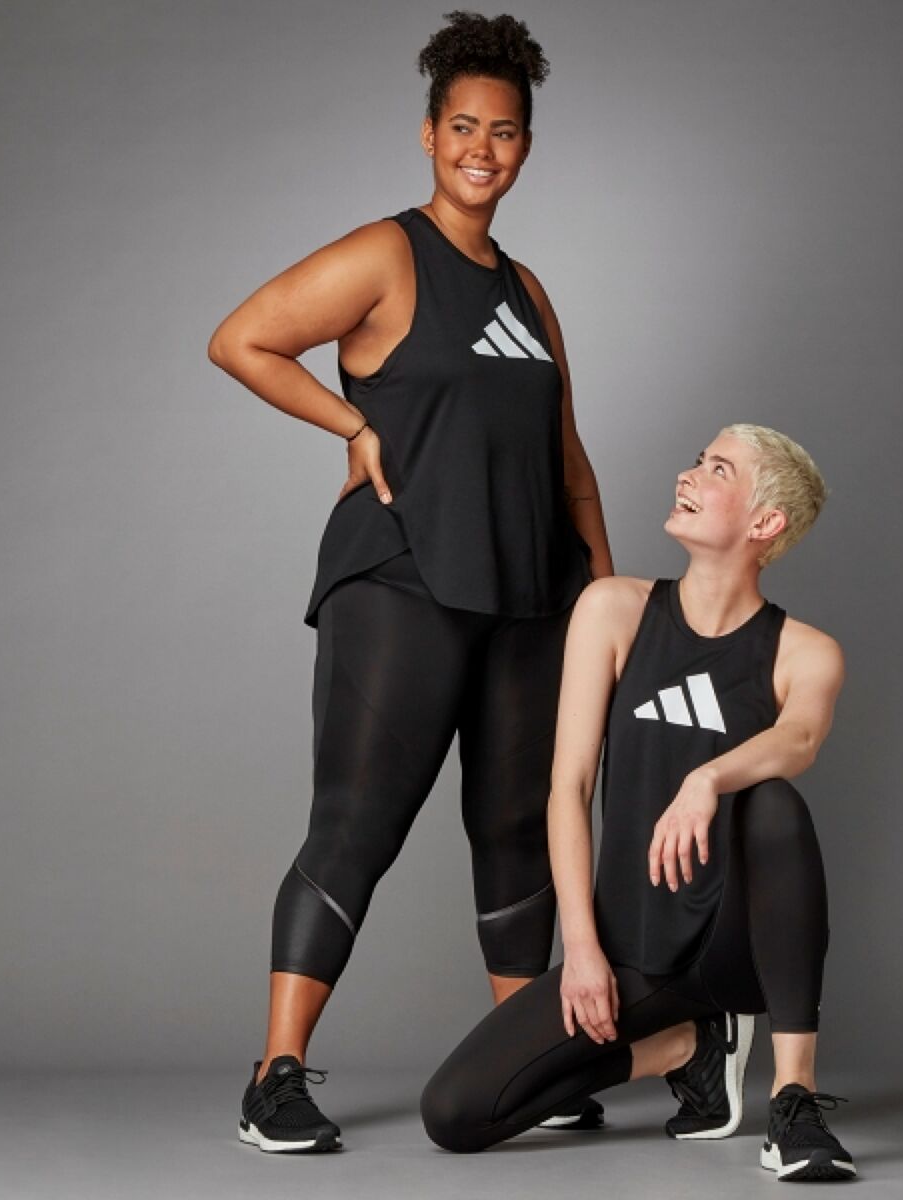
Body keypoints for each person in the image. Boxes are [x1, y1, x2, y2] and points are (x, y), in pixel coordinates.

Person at [207, 12, 612, 1153]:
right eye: (464, 127)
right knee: (358, 824)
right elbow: (242, 339)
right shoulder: (389, 255)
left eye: (505, 131)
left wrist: (603, 591)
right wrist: (353, 426)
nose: (484, 148)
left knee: (518, 830)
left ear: (526, 146)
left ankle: (524, 1061)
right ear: (430, 135)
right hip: (403, 580)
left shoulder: (528, 290)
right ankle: (275, 1078)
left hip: (532, 594)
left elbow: (567, 456)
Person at [421, 424, 857, 1182]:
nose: (688, 476)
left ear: (765, 522)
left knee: (774, 804)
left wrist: (706, 779)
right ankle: (687, 1049)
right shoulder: (613, 608)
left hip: (734, 943)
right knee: (455, 1112)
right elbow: (568, 787)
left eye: (717, 470)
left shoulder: (806, 651)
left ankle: (795, 1100)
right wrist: (583, 950)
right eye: (697, 461)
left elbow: (799, 738)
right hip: (633, 950)